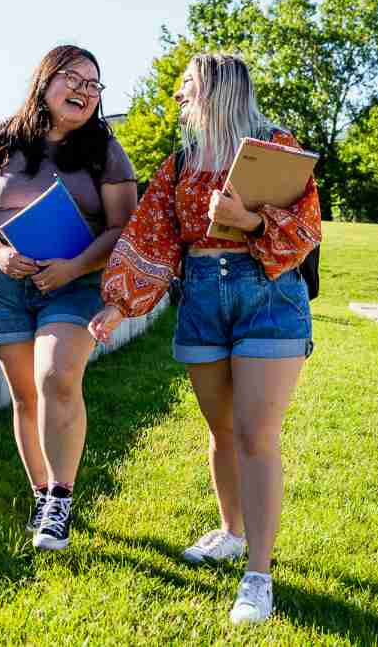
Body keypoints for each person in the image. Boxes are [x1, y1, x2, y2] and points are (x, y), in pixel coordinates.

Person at [89, 53, 321, 625]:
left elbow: (307, 231)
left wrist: (247, 221)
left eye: (187, 87)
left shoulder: (277, 148)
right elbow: (153, 234)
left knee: (257, 435)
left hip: (267, 294)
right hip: (200, 298)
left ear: (219, 90)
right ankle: (230, 532)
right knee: (222, 431)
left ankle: (258, 576)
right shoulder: (182, 164)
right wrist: (121, 306)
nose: (177, 98)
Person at [0, 44, 138, 551]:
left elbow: (123, 226)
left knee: (56, 375)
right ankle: (39, 493)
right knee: (24, 395)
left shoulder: (104, 149)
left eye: (93, 85)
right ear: (45, 79)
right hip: (4, 281)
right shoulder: (0, 137)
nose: (84, 91)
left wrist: (75, 267)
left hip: (74, 281)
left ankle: (61, 498)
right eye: (73, 79)